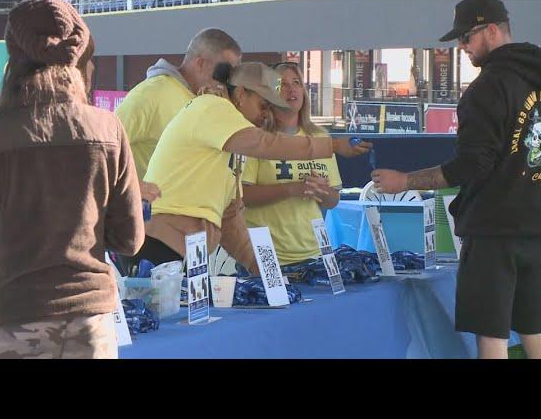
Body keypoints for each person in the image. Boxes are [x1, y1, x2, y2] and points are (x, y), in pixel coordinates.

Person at [0, 0, 144, 359]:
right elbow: (130, 239)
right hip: (92, 322)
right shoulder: (108, 128)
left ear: (15, 56)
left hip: (15, 317)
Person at [371, 0, 541, 359]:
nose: (462, 47)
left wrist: (404, 181)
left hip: (493, 231)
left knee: (491, 338)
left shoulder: (487, 88)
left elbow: (472, 164)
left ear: (491, 30)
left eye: (467, 37)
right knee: (536, 331)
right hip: (538, 224)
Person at [121, 62, 371, 275]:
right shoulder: (213, 107)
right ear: (241, 94)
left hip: (185, 249)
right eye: (263, 105)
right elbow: (265, 144)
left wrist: (263, 271)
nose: (266, 114)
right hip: (161, 243)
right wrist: (333, 145)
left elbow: (230, 218)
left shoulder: (229, 141)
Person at [115, 28, 242, 203]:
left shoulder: (206, 100)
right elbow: (107, 147)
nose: (228, 81)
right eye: (225, 72)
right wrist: (135, 187)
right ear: (201, 63)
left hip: (191, 219)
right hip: (153, 219)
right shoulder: (152, 94)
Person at [241, 62, 343, 266]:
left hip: (313, 252)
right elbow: (243, 195)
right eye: (283, 84)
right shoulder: (256, 137)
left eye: (296, 82)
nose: (291, 89)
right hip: (266, 255)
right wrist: (291, 189)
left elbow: (333, 200)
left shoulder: (320, 137)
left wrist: (322, 192)